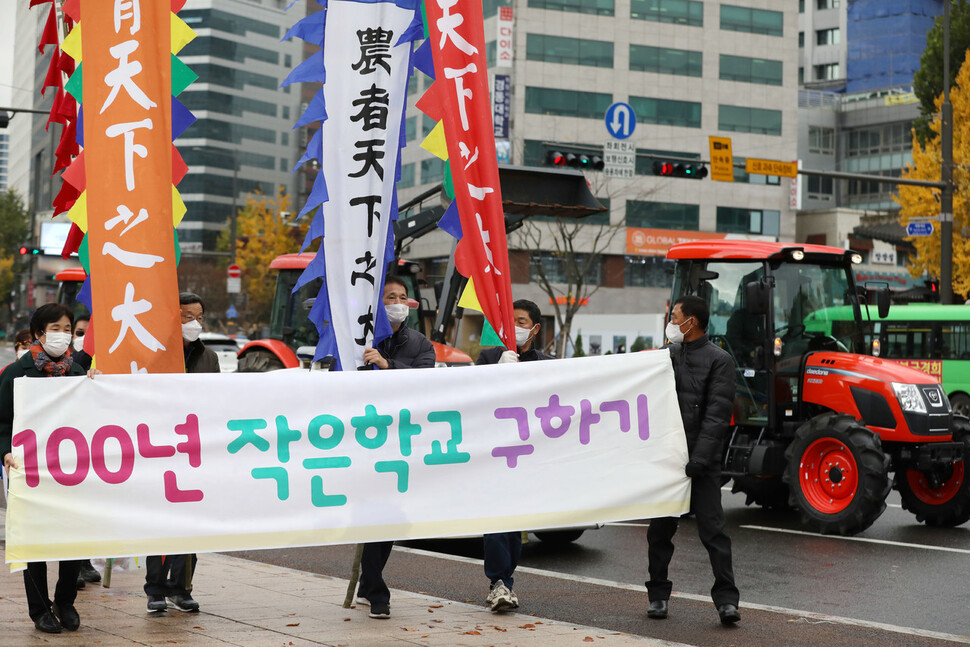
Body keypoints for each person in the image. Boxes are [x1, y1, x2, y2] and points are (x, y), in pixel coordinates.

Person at [0, 303, 95, 633]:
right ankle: (39, 609)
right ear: (39, 333)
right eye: (55, 328)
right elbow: (2, 422)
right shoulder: (17, 373)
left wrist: (97, 387)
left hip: (72, 470)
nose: (63, 334)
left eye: (67, 328)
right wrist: (5, 453)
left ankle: (65, 602)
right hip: (31, 470)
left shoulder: (78, 374)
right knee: (35, 541)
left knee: (73, 539)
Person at [645, 295, 740, 625]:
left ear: (692, 322)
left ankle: (727, 601)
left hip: (702, 464)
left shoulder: (720, 360)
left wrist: (699, 459)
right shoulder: (664, 357)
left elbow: (716, 415)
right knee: (659, 533)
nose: (670, 322)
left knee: (713, 532)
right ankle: (657, 596)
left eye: (675, 316)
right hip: (668, 461)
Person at [355, 276, 435, 619]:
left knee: (388, 515)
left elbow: (423, 384)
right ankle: (375, 590)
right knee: (371, 513)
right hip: (361, 441)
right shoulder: (359, 338)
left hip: (398, 443)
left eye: (403, 297)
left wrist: (388, 366)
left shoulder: (421, 345)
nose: (398, 302)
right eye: (390, 296)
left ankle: (370, 584)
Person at [144, 293, 220, 614]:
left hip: (195, 448)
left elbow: (218, 400)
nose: (194, 324)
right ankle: (155, 589)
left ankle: (182, 587)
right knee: (160, 520)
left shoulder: (209, 358)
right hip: (160, 447)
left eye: (199, 317)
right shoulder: (154, 354)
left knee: (191, 521)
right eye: (186, 317)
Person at [476, 299, 552, 613]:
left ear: (534, 328)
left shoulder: (546, 364)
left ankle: (506, 580)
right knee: (496, 517)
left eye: (522, 321)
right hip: (494, 452)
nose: (516, 327)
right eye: (511, 320)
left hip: (526, 455)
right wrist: (497, 372)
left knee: (515, 523)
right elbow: (470, 394)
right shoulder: (489, 357)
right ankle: (498, 582)